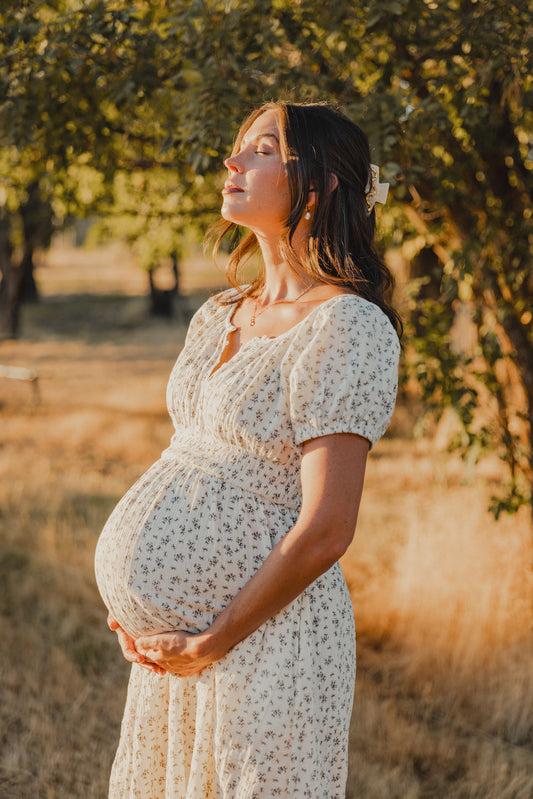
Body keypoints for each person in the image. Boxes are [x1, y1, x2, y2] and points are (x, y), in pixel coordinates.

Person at [95, 100, 401, 798]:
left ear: (318, 184)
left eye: (262, 149)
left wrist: (211, 638)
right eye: (239, 147)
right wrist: (150, 617)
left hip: (265, 645)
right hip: (180, 658)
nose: (233, 162)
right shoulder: (220, 313)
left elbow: (326, 527)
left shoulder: (344, 325)